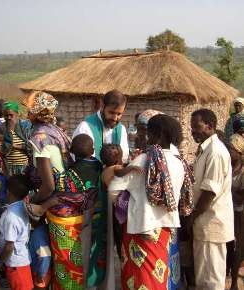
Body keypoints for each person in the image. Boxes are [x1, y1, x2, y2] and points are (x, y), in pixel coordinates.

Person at [108, 114, 194, 290]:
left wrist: (123, 206)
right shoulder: (179, 163)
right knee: (158, 274)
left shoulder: (144, 160)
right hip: (165, 229)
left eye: (150, 133)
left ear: (159, 135)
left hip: (141, 228)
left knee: (141, 277)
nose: (147, 137)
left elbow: (113, 189)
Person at [25, 133, 101, 289]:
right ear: (93, 150)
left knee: (66, 261)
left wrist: (48, 174)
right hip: (83, 217)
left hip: (66, 222)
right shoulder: (97, 164)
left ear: (71, 150)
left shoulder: (72, 173)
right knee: (76, 259)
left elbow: (57, 185)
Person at [73, 89, 129, 288]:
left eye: (120, 114)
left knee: (110, 244)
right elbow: (79, 162)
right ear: (102, 107)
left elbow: (123, 160)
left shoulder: (121, 130)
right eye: (112, 113)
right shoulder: (85, 127)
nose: (115, 118)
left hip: (111, 197)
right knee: (90, 245)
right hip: (90, 198)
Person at [189, 109, 234, 290]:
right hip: (204, 224)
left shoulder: (215, 152)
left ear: (210, 126)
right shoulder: (205, 150)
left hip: (211, 224)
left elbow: (209, 192)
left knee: (210, 280)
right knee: (204, 277)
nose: (193, 131)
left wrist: (191, 217)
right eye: (191, 127)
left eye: (197, 127)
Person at [0, 174, 33, 290]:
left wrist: (0, 263)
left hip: (16, 266)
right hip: (21, 263)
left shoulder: (10, 216)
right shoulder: (21, 208)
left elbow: (9, 246)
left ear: (8, 192)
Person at [227, 134, 244, 290]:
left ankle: (233, 283)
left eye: (231, 149)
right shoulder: (227, 167)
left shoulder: (242, 172)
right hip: (226, 213)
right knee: (228, 246)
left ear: (239, 152)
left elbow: (240, 198)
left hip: (239, 214)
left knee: (237, 248)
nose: (229, 152)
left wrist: (227, 191)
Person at [2, 101, 32, 176]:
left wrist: (16, 146)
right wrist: (9, 131)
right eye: (6, 115)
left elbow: (32, 145)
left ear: (17, 114)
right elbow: (2, 149)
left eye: (11, 115)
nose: (9, 118)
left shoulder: (25, 127)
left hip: (24, 167)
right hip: (8, 167)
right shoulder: (1, 128)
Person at [29, 218, 52, 290]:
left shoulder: (38, 234)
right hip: (44, 269)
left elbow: (45, 256)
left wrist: (40, 276)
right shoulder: (44, 229)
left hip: (41, 271)